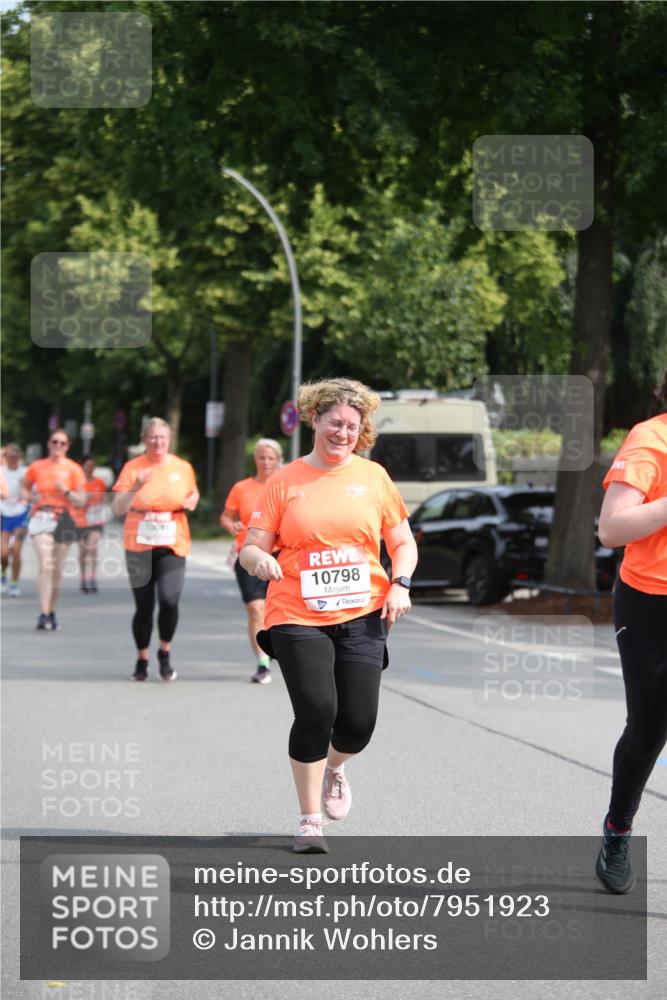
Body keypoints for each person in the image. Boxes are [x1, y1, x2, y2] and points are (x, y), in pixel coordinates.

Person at [240, 378, 418, 852]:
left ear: (363, 432)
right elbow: (251, 547)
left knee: (358, 722)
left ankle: (334, 768)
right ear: (314, 419)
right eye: (335, 423)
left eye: (353, 427)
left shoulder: (374, 478)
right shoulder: (284, 481)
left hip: (362, 613)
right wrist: (260, 560)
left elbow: (402, 542)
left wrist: (400, 584)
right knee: (318, 708)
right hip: (296, 610)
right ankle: (309, 820)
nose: (343, 433)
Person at [596, 371, 667, 894]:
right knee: (649, 729)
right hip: (651, 601)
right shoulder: (652, 438)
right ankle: (618, 829)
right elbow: (612, 528)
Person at [112, 418, 199, 682]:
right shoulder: (132, 468)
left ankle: (164, 651)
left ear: (169, 439)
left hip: (172, 541)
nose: (158, 442)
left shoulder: (182, 467)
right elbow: (116, 508)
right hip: (138, 543)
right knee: (144, 606)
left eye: (162, 438)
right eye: (153, 438)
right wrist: (136, 486)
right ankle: (142, 658)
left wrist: (192, 499)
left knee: (170, 601)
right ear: (144, 439)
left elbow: (192, 492)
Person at [220, 438, 283, 684]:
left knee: (279, 610)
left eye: (270, 458)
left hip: (281, 555)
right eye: (261, 457)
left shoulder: (285, 485)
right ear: (255, 459)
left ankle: (289, 654)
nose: (266, 462)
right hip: (248, 554)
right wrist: (232, 525)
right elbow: (225, 517)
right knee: (256, 608)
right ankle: (263, 662)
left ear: (277, 460)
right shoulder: (241, 488)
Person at [22, 430, 86, 630]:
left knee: (57, 569)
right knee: (46, 564)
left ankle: (51, 610)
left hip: (65, 518)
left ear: (67, 446)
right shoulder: (37, 466)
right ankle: (43, 613)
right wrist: (30, 497)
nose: (58, 445)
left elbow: (82, 499)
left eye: (62, 443)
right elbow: (24, 486)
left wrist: (65, 491)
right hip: (41, 516)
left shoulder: (74, 469)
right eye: (55, 442)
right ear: (49, 443)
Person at [73, 457, 108, 593]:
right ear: (83, 467)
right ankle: (83, 578)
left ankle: (92, 577)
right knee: (83, 551)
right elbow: (73, 500)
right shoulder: (78, 484)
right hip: (81, 519)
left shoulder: (100, 482)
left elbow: (104, 498)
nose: (90, 468)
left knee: (92, 547)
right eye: (87, 465)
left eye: (92, 466)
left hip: (96, 519)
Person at [1, 443, 30, 597]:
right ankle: (3, 573)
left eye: (15, 455)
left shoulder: (25, 473)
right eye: (9, 455)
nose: (13, 457)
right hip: (4, 514)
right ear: (5, 457)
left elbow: (32, 492)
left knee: (17, 551)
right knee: (4, 553)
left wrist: (26, 495)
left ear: (19, 457)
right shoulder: (0, 473)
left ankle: (14, 583)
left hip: (20, 515)